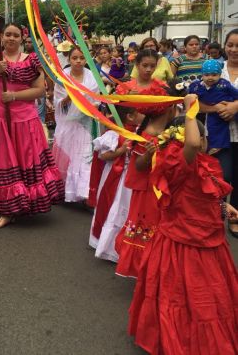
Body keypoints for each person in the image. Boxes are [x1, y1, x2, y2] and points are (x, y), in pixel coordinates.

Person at [128, 108, 238, 355]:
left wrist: (223, 205)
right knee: (189, 295)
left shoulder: (200, 165)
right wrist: (190, 109)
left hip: (206, 240)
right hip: (183, 245)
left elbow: (204, 194)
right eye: (201, 137)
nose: (204, 141)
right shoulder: (178, 166)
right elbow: (190, 143)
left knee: (200, 295)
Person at [0, 23, 64, 229]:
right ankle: (7, 212)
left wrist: (14, 96)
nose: (11, 38)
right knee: (3, 165)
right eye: (7, 34)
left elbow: (39, 91)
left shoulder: (32, 60)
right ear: (1, 36)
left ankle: (26, 204)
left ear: (21, 37)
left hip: (25, 121)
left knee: (25, 163)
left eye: (15, 35)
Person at [114, 85, 180, 278]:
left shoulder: (172, 133)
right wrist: (149, 154)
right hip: (147, 191)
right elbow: (139, 166)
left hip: (162, 190)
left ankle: (158, 268)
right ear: (168, 109)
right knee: (149, 228)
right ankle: (148, 269)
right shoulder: (145, 135)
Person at [88, 106, 143, 262]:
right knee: (113, 208)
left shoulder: (140, 130)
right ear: (130, 117)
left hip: (132, 177)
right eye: (140, 112)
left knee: (128, 209)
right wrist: (121, 150)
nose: (143, 115)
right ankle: (107, 246)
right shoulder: (114, 132)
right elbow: (103, 155)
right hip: (115, 176)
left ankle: (125, 245)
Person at [201, 29, 238, 238]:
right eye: (230, 45)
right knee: (220, 177)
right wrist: (217, 109)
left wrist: (235, 107)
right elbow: (197, 101)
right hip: (217, 137)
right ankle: (213, 216)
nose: (234, 50)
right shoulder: (213, 68)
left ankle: (236, 218)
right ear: (224, 46)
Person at [52, 47, 100, 204]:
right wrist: (68, 98)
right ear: (69, 60)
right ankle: (64, 189)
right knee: (68, 157)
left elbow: (96, 100)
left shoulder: (92, 77)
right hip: (68, 124)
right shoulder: (62, 78)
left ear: (86, 59)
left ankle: (83, 193)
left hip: (86, 123)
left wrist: (87, 104)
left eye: (81, 57)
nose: (78, 61)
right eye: (74, 58)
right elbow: (58, 103)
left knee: (84, 157)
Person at [189, 59, 238, 155]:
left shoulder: (224, 84)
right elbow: (191, 97)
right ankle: (214, 145)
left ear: (220, 75)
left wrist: (233, 105)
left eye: (214, 75)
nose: (210, 78)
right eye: (207, 75)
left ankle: (218, 145)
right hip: (211, 112)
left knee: (220, 126)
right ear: (202, 75)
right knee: (212, 126)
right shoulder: (198, 86)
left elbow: (236, 94)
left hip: (227, 108)